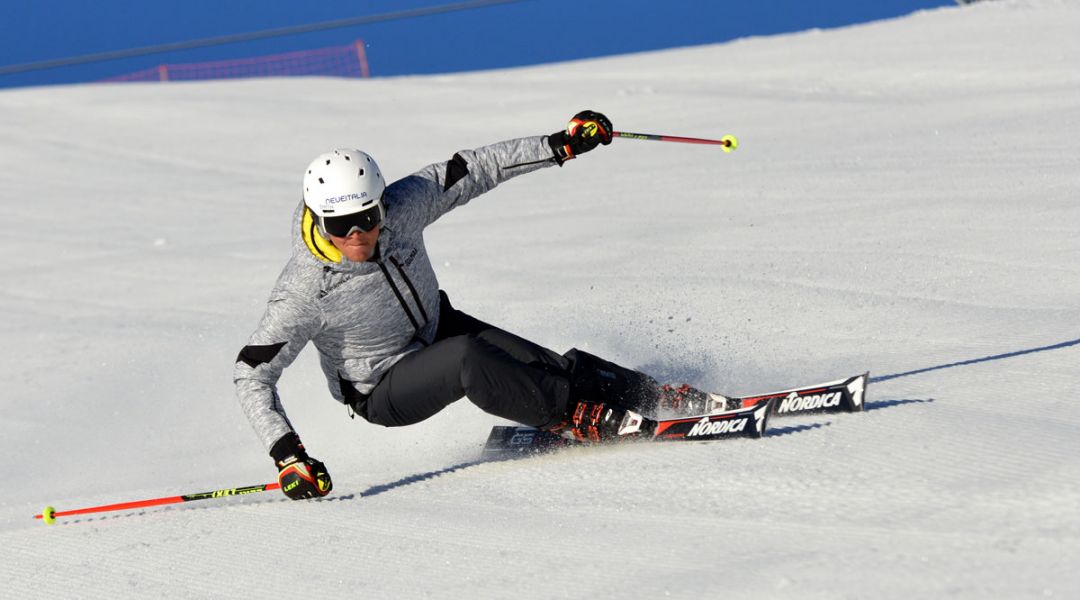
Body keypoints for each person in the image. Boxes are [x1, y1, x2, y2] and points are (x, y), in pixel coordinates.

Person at [234, 111, 718, 500]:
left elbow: (473, 168)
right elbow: (252, 373)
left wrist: (558, 145)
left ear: (381, 204)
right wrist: (287, 455)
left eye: (366, 216)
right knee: (469, 359)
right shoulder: (304, 290)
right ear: (320, 221)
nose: (356, 234)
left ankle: (648, 394)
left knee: (545, 365)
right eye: (340, 226)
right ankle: (574, 416)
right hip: (380, 385)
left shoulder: (405, 205)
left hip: (436, 326)